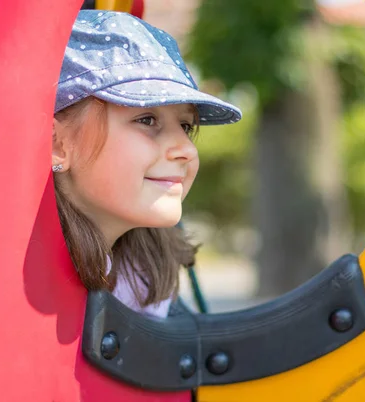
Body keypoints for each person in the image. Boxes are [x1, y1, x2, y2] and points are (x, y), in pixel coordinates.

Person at [51, 10, 241, 318]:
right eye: (147, 119)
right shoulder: (14, 271)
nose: (186, 149)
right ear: (57, 144)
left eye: (186, 126)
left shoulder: (145, 277)